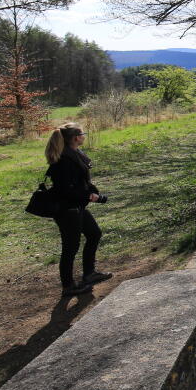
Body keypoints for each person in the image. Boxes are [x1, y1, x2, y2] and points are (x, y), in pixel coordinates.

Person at [44, 123, 113, 297]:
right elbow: (66, 189)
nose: (84, 136)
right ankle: (68, 286)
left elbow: (79, 181)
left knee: (94, 233)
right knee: (70, 247)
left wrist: (91, 191)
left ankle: (89, 274)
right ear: (76, 138)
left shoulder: (75, 154)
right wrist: (90, 196)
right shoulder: (64, 160)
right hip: (67, 209)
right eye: (82, 134)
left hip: (76, 206)